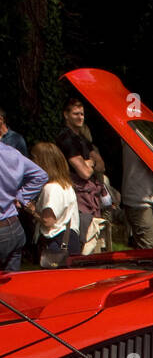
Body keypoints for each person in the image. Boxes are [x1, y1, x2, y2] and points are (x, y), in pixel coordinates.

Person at [56, 95, 107, 247]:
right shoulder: (66, 139)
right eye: (75, 114)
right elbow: (84, 173)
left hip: (90, 197)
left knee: (94, 237)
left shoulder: (82, 139)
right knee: (85, 239)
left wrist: (88, 163)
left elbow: (102, 166)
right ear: (66, 115)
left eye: (82, 114)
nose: (80, 117)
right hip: (78, 197)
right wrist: (91, 164)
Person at [27, 141, 81, 263]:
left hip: (56, 244)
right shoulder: (66, 185)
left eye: (34, 158)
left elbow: (48, 221)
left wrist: (32, 210)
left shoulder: (51, 188)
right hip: (70, 241)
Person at [0, 141, 47, 271]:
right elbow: (41, 176)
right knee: (10, 287)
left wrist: (20, 197)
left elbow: (40, 176)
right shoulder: (11, 152)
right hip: (14, 228)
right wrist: (20, 196)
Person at [121, 145, 153, 248]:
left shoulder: (130, 139)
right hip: (140, 201)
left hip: (136, 197)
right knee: (148, 248)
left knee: (142, 247)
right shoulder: (140, 142)